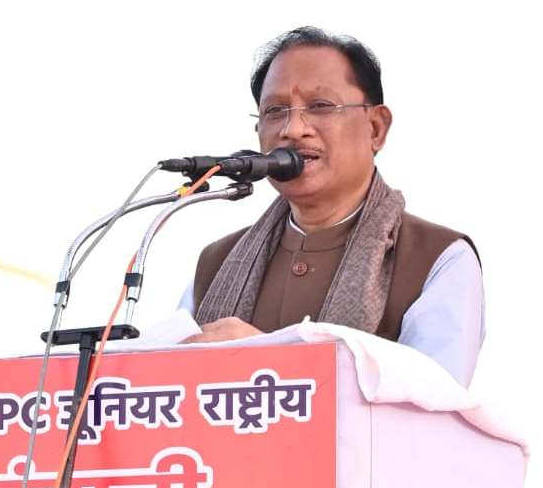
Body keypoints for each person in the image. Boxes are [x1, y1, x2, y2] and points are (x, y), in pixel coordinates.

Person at [180, 27, 484, 387]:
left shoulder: (438, 258)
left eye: (320, 106)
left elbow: (436, 399)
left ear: (376, 128)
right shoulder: (216, 263)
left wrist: (267, 358)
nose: (294, 129)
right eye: (275, 111)